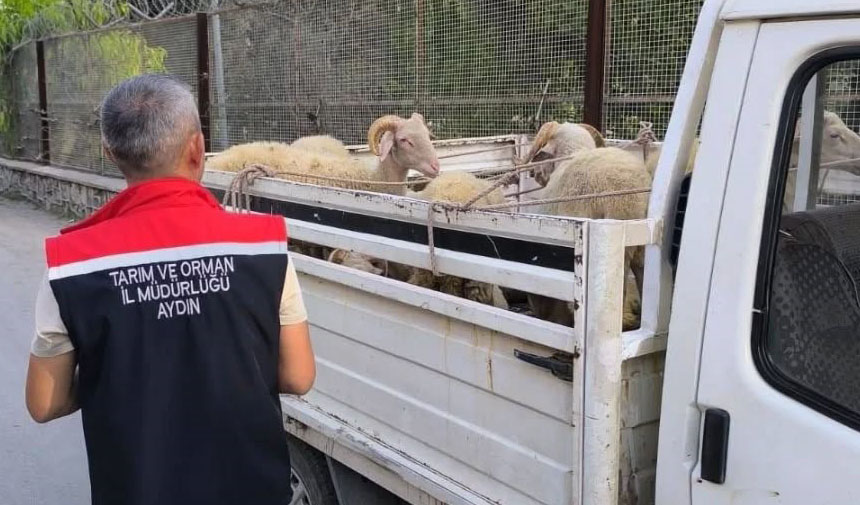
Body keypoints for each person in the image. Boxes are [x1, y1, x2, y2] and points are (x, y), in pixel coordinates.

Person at [24, 74, 315, 505]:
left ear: (110, 154)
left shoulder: (74, 264)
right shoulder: (262, 248)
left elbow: (44, 403)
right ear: (197, 147)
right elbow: (298, 375)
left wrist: (120, 373)